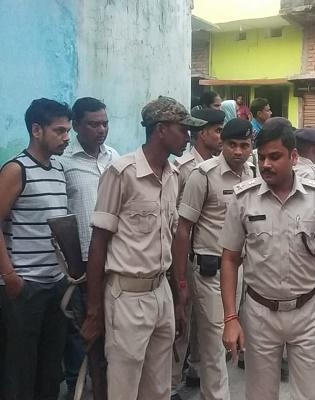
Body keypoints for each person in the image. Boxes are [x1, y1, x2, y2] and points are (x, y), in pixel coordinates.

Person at [81, 96, 204, 399]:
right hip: (127, 295)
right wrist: (94, 310)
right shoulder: (121, 173)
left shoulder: (173, 175)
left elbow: (170, 239)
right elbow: (99, 242)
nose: (188, 137)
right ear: (161, 130)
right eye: (182, 129)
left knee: (159, 387)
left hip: (160, 291)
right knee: (124, 386)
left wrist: (178, 293)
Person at [220, 117, 315, 400]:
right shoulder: (244, 199)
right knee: (260, 395)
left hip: (306, 313)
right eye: (262, 157)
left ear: (293, 157)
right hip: (259, 314)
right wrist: (230, 318)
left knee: (311, 394)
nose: (266, 164)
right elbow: (229, 258)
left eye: (275, 157)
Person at [173, 118, 255, 400]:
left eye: (244, 145)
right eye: (232, 144)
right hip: (209, 272)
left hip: (240, 270)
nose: (238, 151)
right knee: (214, 344)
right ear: (222, 144)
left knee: (230, 339)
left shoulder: (252, 174)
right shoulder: (203, 175)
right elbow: (183, 229)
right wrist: (181, 281)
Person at [0, 98, 72, 400]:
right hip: (25, 288)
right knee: (20, 372)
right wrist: (11, 277)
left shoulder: (58, 169)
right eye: (59, 131)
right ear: (36, 130)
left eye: (68, 131)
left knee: (50, 371)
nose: (66, 137)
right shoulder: (17, 170)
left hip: (55, 285)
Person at [59, 97, 119, 399]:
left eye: (105, 123)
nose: (101, 130)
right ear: (77, 126)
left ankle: (105, 388)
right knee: (83, 332)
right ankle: (79, 389)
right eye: (93, 124)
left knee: (110, 331)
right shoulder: (64, 163)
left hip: (114, 260)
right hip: (80, 263)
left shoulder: (114, 158)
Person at [171, 108, 225, 398]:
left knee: (203, 324)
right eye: (217, 130)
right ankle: (170, 384)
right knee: (182, 322)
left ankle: (195, 370)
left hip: (208, 259)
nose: (221, 136)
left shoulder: (220, 166)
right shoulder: (183, 167)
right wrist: (177, 270)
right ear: (202, 133)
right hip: (186, 257)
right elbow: (176, 220)